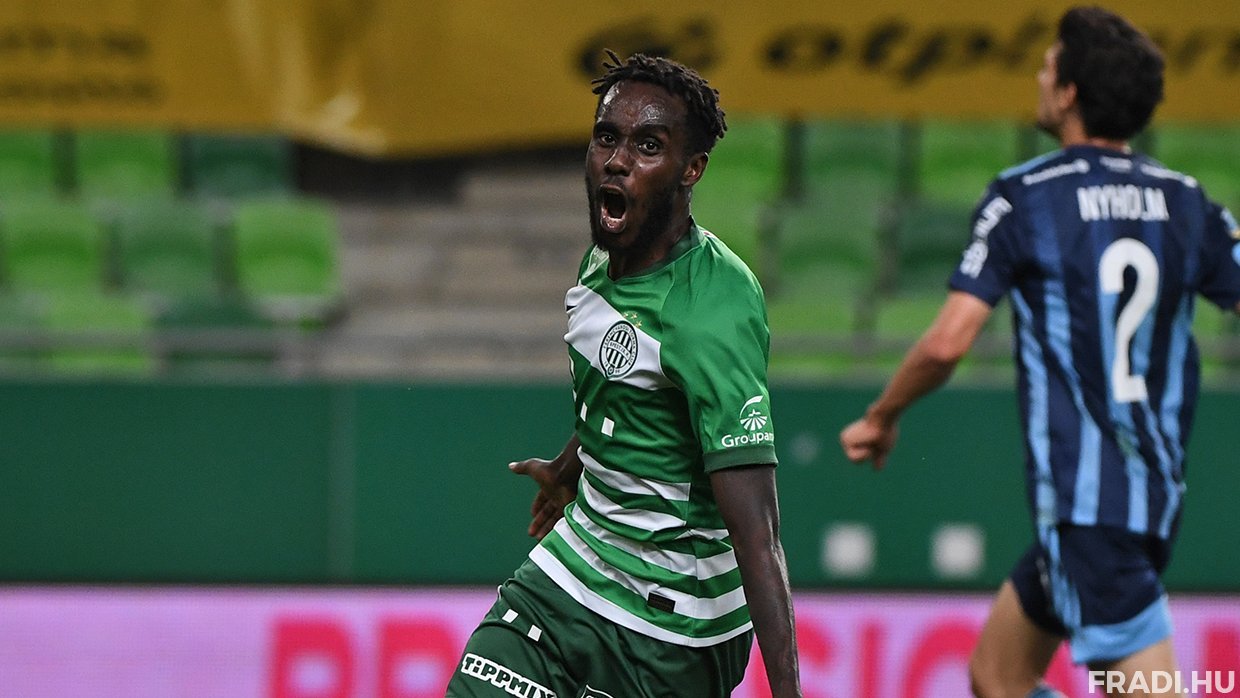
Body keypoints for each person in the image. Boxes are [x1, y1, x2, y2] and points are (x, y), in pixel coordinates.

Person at [839, 6, 1240, 698]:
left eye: (1049, 65)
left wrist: (882, 415)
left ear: (1071, 92)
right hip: (1145, 499)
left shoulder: (1025, 198)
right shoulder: (1187, 203)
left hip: (1090, 512)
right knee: (997, 676)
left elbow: (947, 342)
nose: (1038, 76)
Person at [446, 51, 802, 698]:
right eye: (606, 138)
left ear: (691, 169)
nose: (617, 160)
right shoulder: (601, 263)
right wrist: (569, 466)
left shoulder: (712, 311)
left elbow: (759, 536)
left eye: (648, 146)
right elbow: (629, 394)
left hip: (674, 623)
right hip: (577, 565)